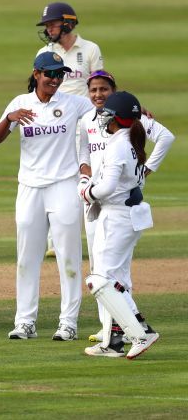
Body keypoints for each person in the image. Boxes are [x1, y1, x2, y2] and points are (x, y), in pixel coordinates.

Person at [0, 52, 94, 341]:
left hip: (64, 185)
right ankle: (25, 322)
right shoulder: (20, 103)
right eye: (50, 74)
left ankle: (68, 322)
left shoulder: (73, 103)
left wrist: (137, 110)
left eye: (60, 75)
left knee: (69, 257)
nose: (55, 80)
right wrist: (9, 119)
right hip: (30, 188)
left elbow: (105, 109)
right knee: (27, 258)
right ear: (36, 73)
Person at [78, 71, 174, 344]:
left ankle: (131, 334)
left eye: (104, 89)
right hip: (116, 209)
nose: (98, 95)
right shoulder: (121, 136)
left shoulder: (121, 142)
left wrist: (86, 191)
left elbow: (107, 187)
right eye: (93, 89)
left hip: (114, 209)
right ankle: (122, 332)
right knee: (113, 276)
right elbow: (84, 153)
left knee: (101, 278)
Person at [35, 2, 104, 258]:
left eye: (52, 24)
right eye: (47, 25)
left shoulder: (89, 49)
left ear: (68, 23)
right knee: (56, 177)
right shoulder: (44, 52)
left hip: (85, 122)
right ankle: (55, 241)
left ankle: (93, 237)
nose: (49, 29)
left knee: (86, 178)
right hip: (55, 124)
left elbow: (99, 84)